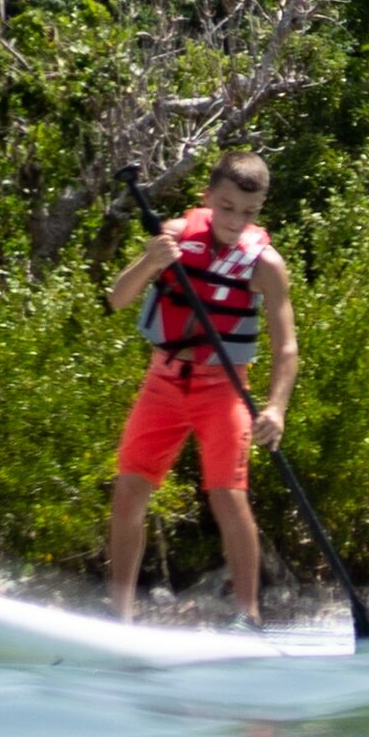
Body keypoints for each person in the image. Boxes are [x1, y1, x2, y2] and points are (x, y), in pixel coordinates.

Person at [103, 153, 300, 624]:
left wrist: (276, 408)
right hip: (163, 384)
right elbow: (116, 299)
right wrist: (150, 260)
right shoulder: (172, 236)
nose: (236, 221)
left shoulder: (266, 266)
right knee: (129, 490)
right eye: (227, 207)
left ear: (260, 210)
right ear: (207, 198)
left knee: (227, 494)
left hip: (223, 391)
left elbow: (286, 348)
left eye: (248, 213)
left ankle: (248, 617)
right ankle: (118, 618)